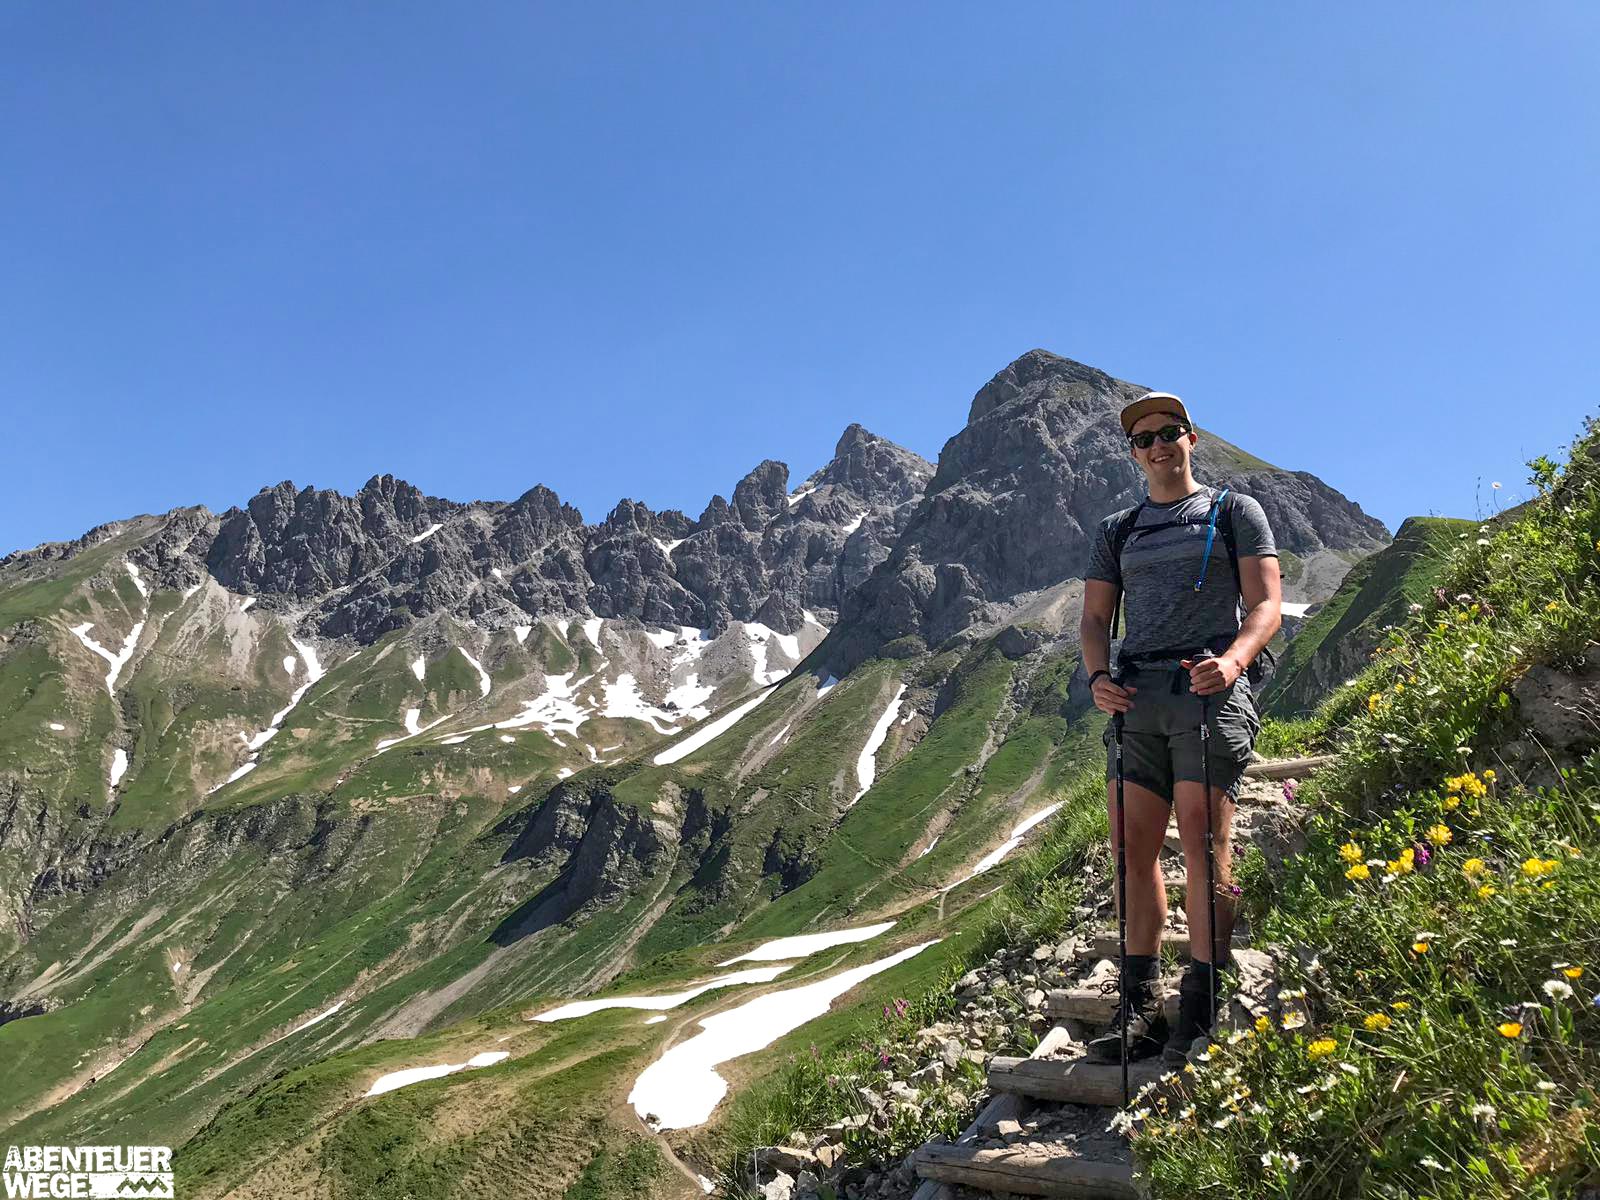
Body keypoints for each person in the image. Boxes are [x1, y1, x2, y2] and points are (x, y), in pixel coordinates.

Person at [1077, 391, 1282, 1065]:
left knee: (1203, 845)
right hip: (1137, 699)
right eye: (1144, 439)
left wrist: (1234, 662)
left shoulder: (1233, 511)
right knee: (1130, 852)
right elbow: (1094, 619)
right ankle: (1138, 1006)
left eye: (1169, 432)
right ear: (1133, 453)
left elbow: (1266, 604)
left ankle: (1202, 1001)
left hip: (1207, 694)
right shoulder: (1117, 530)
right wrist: (1097, 677)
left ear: (1191, 438)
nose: (1158, 445)